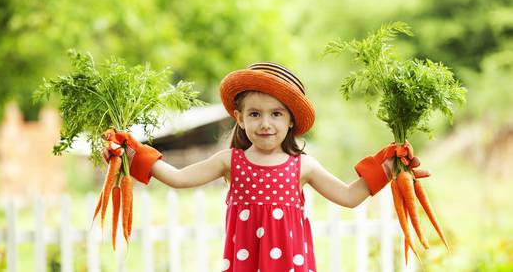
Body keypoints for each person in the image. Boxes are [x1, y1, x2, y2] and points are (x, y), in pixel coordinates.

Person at [104, 62, 428, 272]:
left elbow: (348, 196)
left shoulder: (302, 166)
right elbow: (178, 178)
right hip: (243, 264)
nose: (265, 123)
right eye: (255, 114)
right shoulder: (230, 161)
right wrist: (131, 155)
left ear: (291, 121)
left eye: (276, 114)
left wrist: (389, 168)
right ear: (239, 119)